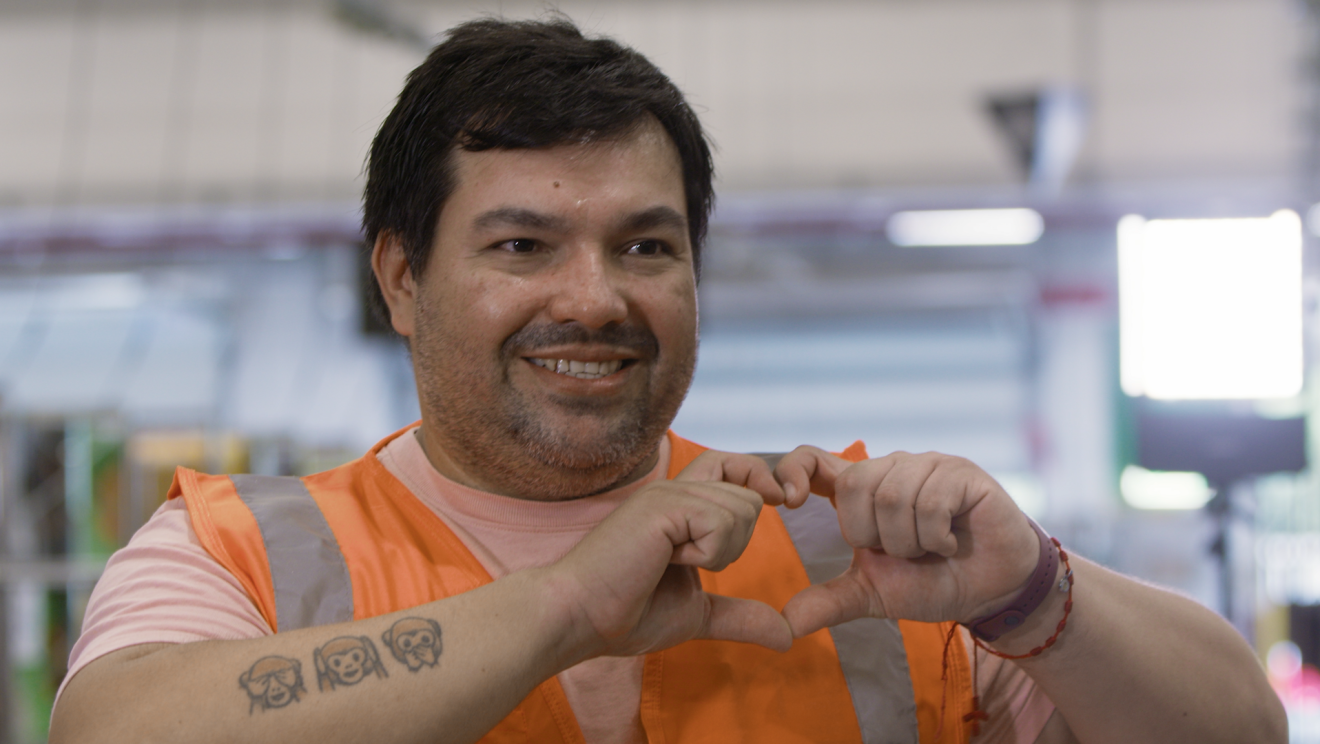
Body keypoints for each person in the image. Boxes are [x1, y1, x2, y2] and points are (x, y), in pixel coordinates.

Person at [50, 16, 1283, 744]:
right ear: (402, 277)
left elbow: (1237, 726)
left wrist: (1030, 592)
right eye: (521, 246)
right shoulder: (243, 554)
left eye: (646, 246)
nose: (595, 298)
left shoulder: (853, 562)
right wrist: (564, 606)